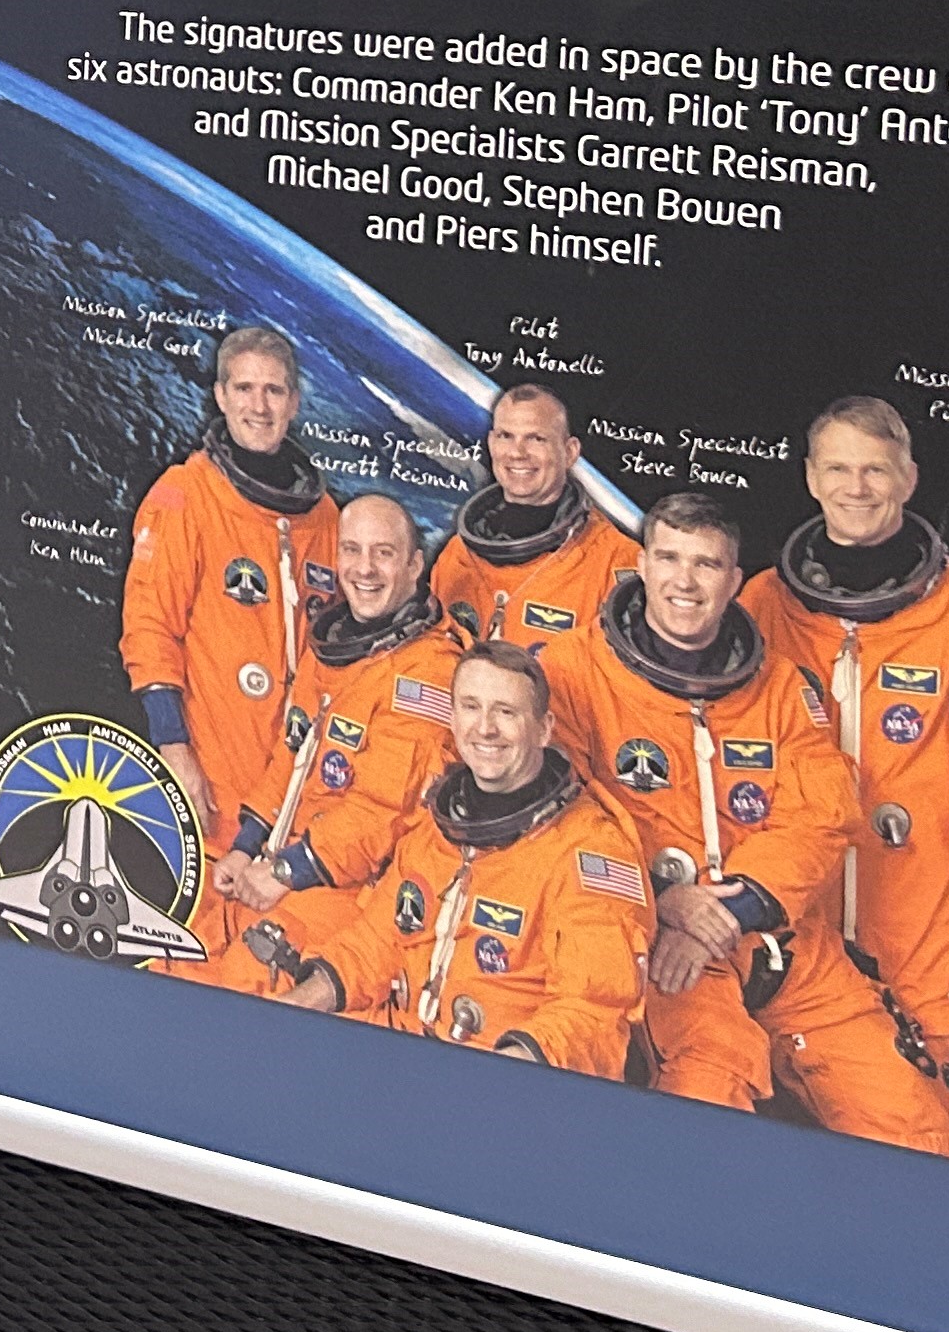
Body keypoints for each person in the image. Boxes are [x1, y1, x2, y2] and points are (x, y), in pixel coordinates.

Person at [538, 491, 949, 1155]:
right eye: (669, 558)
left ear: (734, 581)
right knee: (711, 1094)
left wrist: (731, 912)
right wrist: (663, 899)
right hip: (655, 935)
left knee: (915, 1130)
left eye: (706, 565)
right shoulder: (571, 672)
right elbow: (563, 810)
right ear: (641, 566)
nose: (684, 581)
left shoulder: (781, 688)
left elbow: (823, 816)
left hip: (775, 936)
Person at [743, 396, 949, 1172]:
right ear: (810, 479)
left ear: (910, 478)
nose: (856, 488)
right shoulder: (760, 609)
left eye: (876, 470)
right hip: (804, 946)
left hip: (937, 944)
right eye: (838, 469)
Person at [241, 633, 652, 1074]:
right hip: (407, 1051)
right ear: (452, 719)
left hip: (507, 1076)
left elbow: (591, 1011)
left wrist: (497, 1075)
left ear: (544, 729)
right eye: (471, 707)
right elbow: (377, 942)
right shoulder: (439, 824)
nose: (485, 728)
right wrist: (296, 1007)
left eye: (506, 712)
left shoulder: (591, 852)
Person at [181, 491, 456, 985]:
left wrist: (288, 870)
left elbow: (380, 813)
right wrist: (245, 847)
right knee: (179, 951)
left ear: (416, 566)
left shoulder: (427, 674)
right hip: (284, 863)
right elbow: (291, 759)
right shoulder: (333, 647)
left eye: (384, 553)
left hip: (354, 890)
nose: (364, 569)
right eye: (352, 550)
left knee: (249, 975)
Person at [118, 325, 341, 873]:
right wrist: (174, 748)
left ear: (294, 402)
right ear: (220, 396)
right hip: (211, 780)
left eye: (273, 391)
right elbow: (149, 627)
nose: (258, 407)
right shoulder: (186, 494)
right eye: (244, 389)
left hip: (292, 787)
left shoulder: (324, 517)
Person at [430, 381, 637, 644]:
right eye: (506, 436)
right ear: (491, 443)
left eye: (536, 439)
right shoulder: (457, 554)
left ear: (570, 452)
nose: (517, 453)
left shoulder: (615, 561)